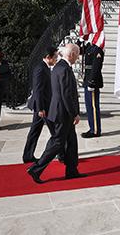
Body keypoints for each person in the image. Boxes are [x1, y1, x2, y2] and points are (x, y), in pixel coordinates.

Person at [27, 44, 85, 183]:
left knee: (71, 141)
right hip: (63, 113)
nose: (78, 57)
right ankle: (36, 169)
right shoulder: (64, 69)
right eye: (77, 54)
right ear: (71, 54)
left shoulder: (59, 67)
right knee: (57, 142)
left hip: (60, 111)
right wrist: (74, 113)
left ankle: (72, 170)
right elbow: (66, 95)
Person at [22, 47, 60, 163]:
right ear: (48, 57)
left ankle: (28, 155)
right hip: (43, 106)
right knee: (54, 131)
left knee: (40, 130)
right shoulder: (40, 69)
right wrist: (40, 108)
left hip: (45, 105)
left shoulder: (45, 67)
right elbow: (38, 90)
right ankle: (60, 152)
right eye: (55, 57)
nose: (56, 59)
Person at [81, 38, 104, 138]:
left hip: (92, 82)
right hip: (87, 80)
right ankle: (92, 128)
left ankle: (95, 130)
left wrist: (92, 82)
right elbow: (80, 50)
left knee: (93, 107)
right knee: (89, 106)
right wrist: (80, 39)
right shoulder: (89, 47)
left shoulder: (98, 50)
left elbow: (96, 67)